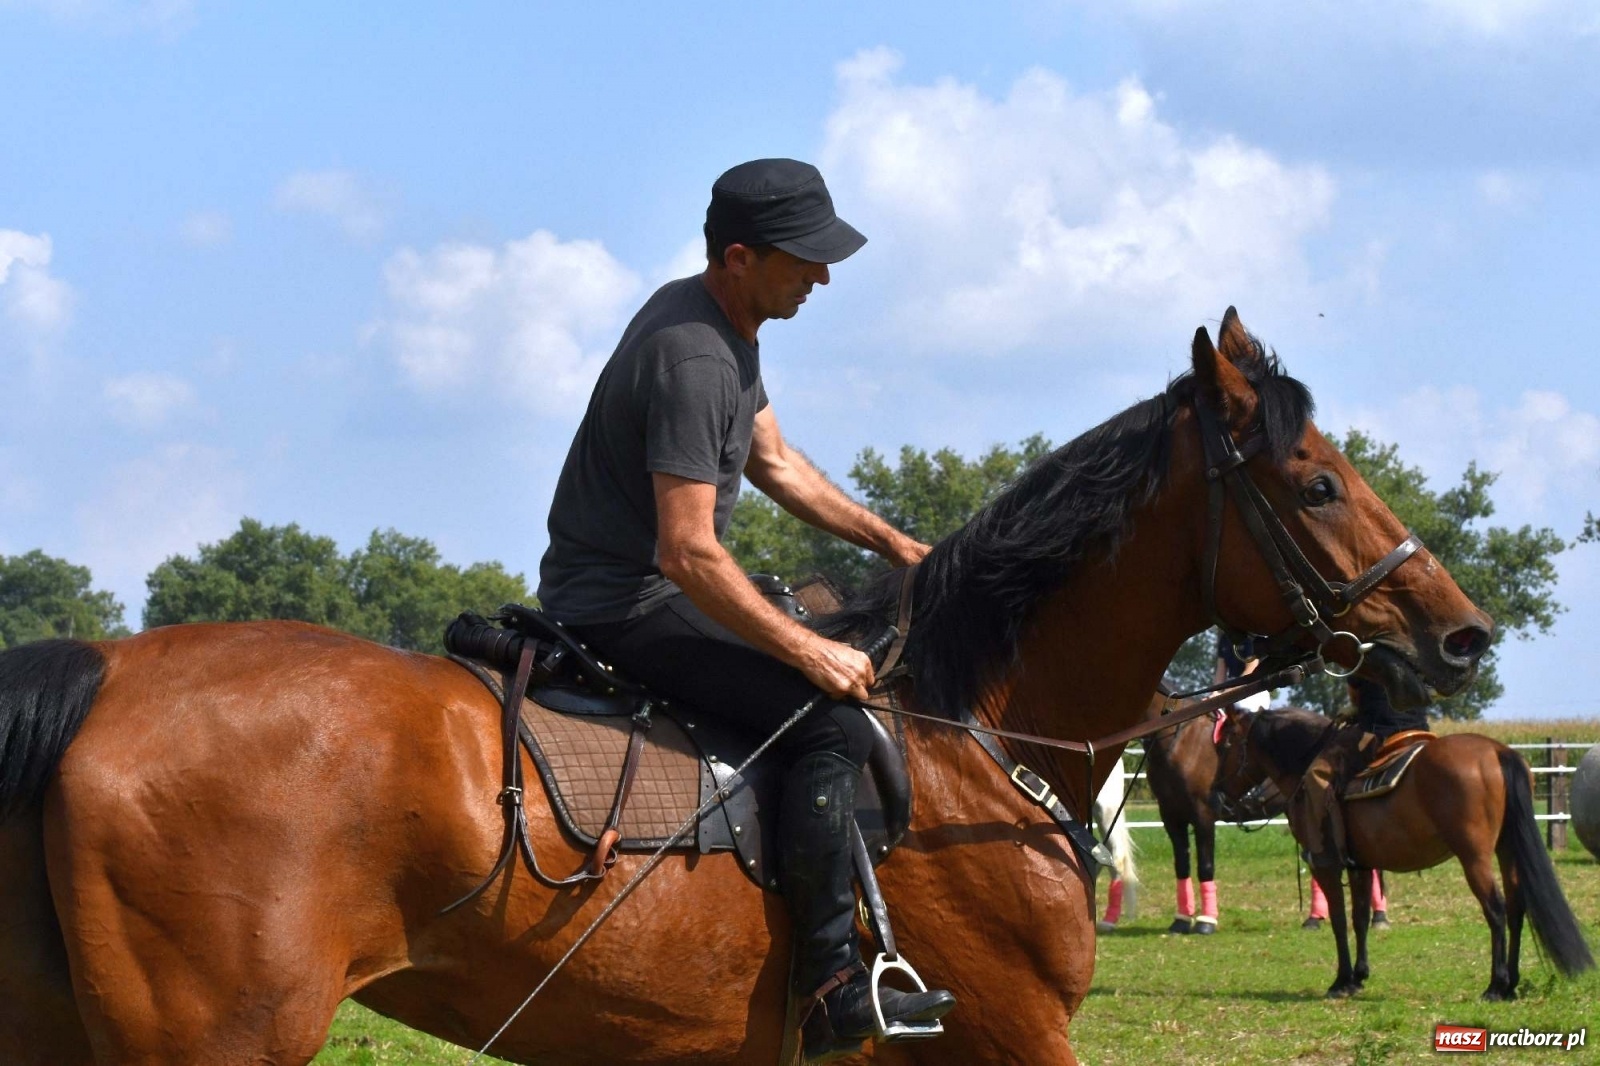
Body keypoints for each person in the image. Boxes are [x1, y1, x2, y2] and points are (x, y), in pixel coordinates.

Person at [537, 158, 955, 1062]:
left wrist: (898, 547)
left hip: (650, 585)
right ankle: (836, 981)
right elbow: (685, 552)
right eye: (806, 258)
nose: (824, 277)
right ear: (738, 255)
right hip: (625, 607)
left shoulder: (724, 324)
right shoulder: (692, 357)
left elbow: (774, 463)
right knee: (828, 729)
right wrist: (811, 655)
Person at [1292, 676, 1430, 871]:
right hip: (1420, 731)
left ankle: (1330, 850)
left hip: (1380, 732)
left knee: (1316, 775)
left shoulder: (1364, 651)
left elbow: (1355, 696)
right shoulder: (1419, 651)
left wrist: (1355, 710)